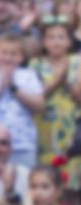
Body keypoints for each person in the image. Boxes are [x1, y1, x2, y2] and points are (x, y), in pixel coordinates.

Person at [0, 31, 44, 167]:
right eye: (4, 53)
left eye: (13, 54)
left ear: (21, 57)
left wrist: (13, 88)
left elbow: (39, 106)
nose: (8, 58)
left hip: (23, 144)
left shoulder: (29, 75)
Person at [29, 18, 81, 187]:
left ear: (69, 41)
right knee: (46, 179)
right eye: (51, 37)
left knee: (71, 182)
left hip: (72, 128)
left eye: (61, 37)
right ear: (43, 42)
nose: (56, 42)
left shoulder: (77, 62)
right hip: (44, 126)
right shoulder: (35, 64)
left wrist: (67, 81)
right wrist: (57, 79)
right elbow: (35, 97)